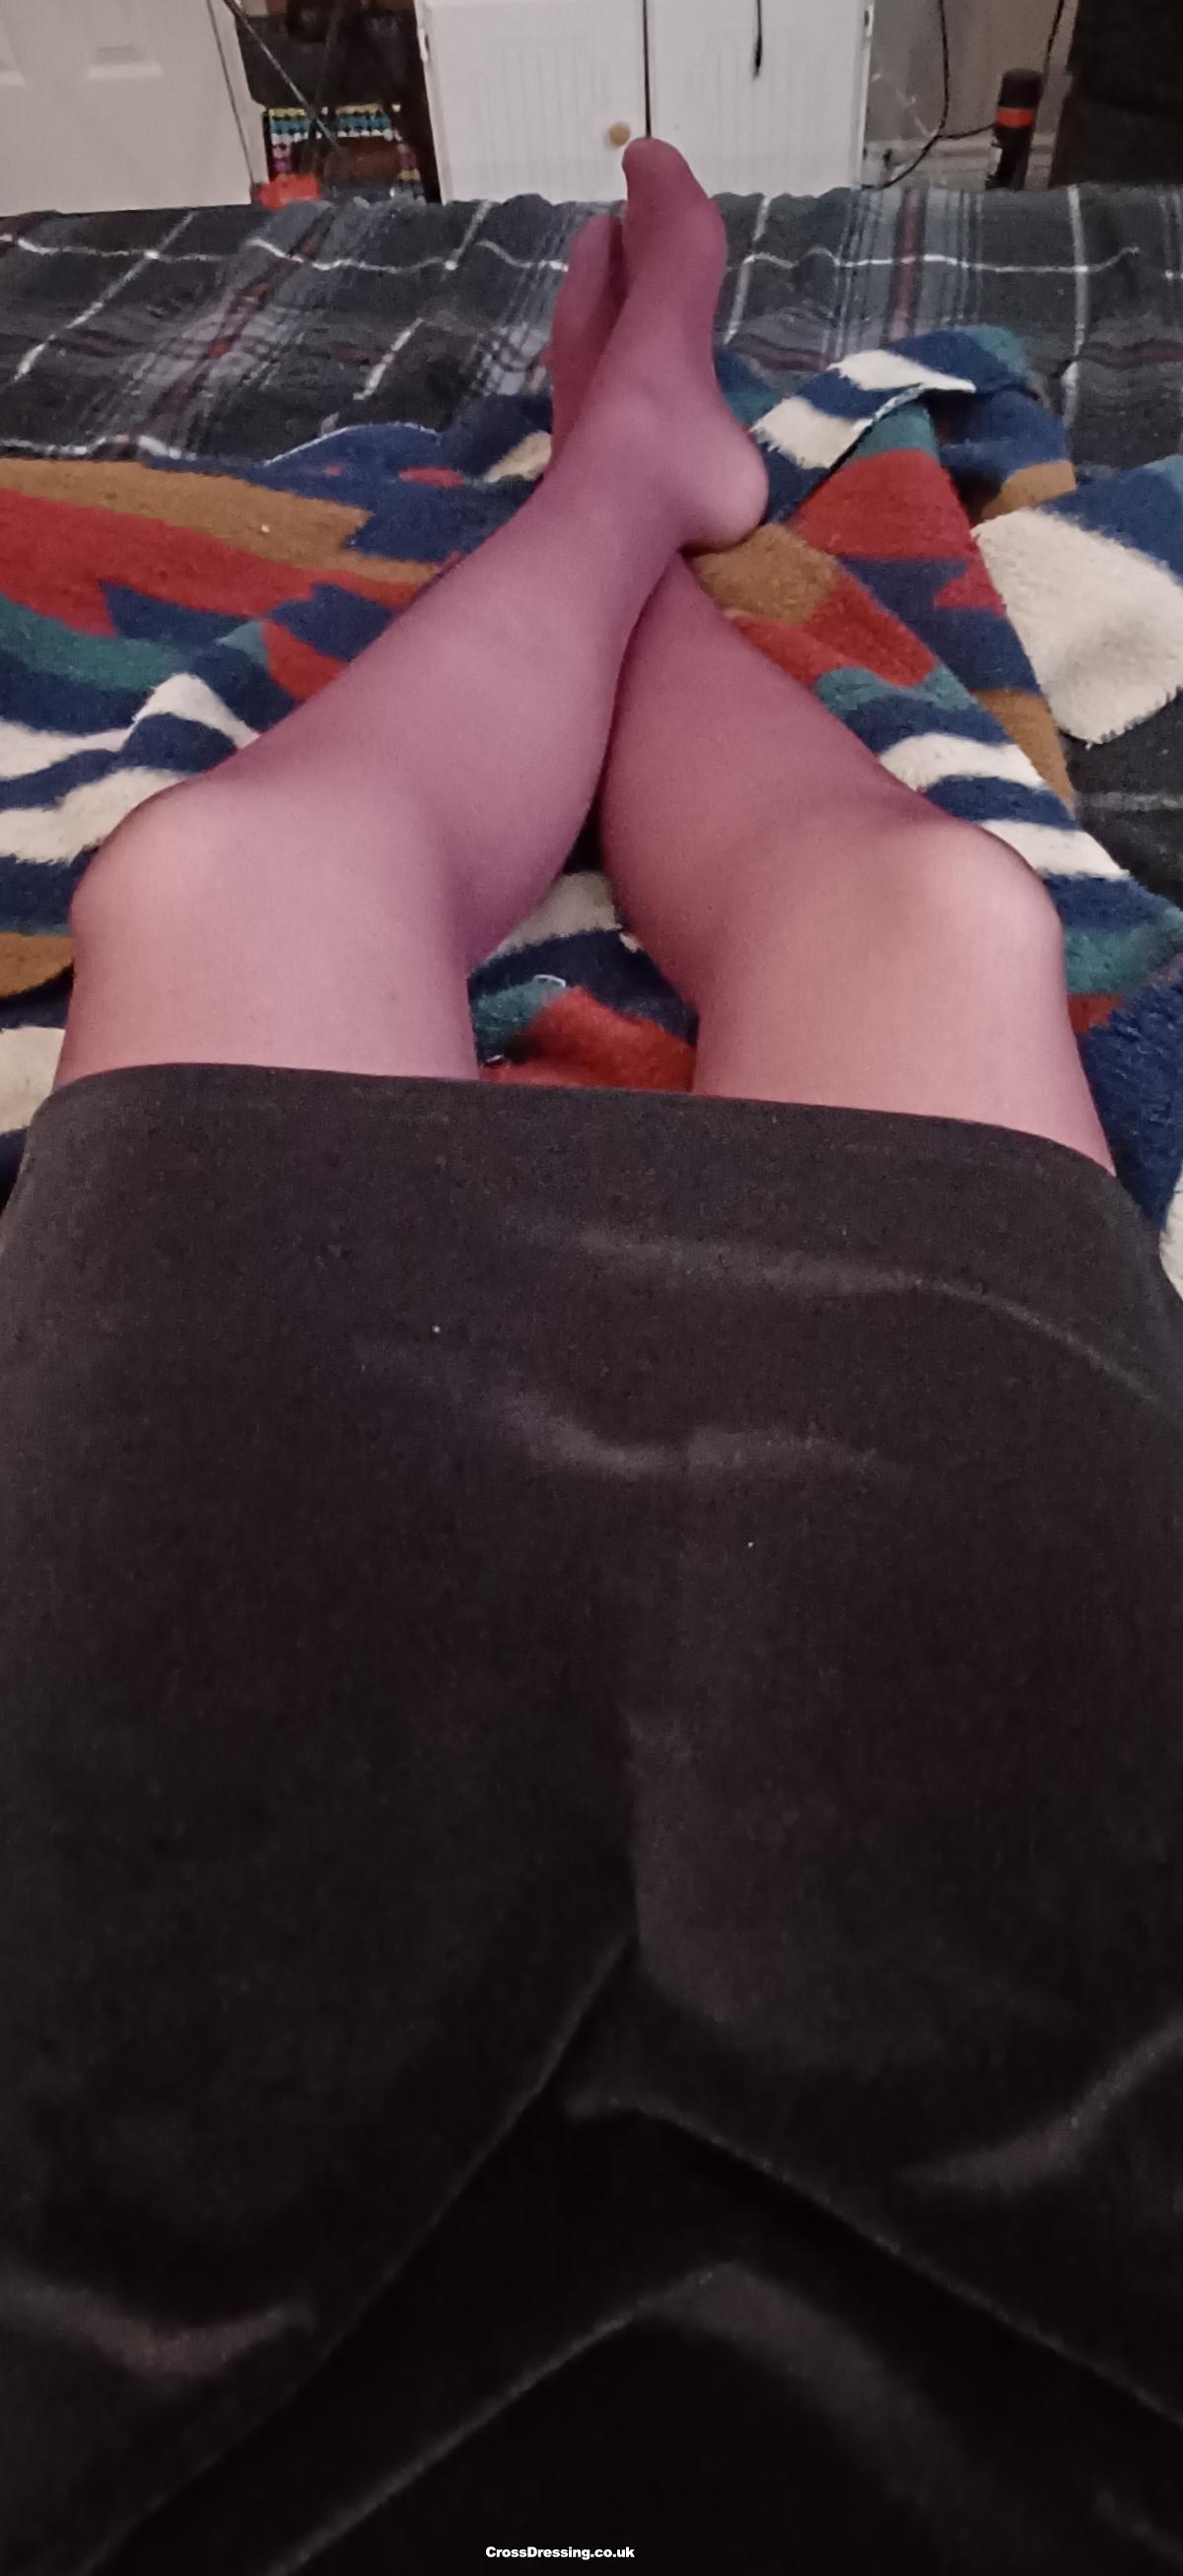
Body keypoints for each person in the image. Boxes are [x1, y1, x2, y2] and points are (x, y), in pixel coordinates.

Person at [1, 143, 1182, 2575]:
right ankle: (640, 481)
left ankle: (626, 481)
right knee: (923, 913)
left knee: (236, 878)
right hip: (1060, 2252)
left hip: (137, 2214)